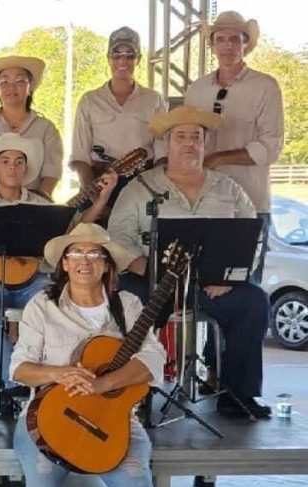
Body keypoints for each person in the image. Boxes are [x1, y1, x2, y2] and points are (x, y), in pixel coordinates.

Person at [10, 222, 164, 487]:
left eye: (94, 253)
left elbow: (153, 359)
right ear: (64, 262)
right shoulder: (41, 306)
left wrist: (102, 383)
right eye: (75, 253)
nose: (84, 260)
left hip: (115, 419)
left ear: (108, 265)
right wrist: (58, 374)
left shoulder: (128, 307)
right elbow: (19, 367)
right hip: (48, 415)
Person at [109, 106, 271, 418]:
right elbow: (117, 236)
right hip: (154, 282)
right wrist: (137, 264)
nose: (189, 143)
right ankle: (128, 394)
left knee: (254, 303)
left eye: (196, 137)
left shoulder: (228, 188)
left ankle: (238, 395)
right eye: (180, 137)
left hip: (210, 287)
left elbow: (254, 238)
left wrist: (232, 278)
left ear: (205, 144)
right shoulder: (140, 188)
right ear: (166, 145)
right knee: (125, 302)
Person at [0, 134, 104, 397]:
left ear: (26, 169)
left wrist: (101, 200)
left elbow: (73, 232)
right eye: (5, 161)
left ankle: (60, 376)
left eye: (18, 162)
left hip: (36, 279)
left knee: (58, 301)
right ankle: (14, 377)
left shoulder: (41, 204)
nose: (12, 167)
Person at [183, 11, 284, 283]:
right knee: (197, 286)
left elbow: (270, 147)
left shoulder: (265, 86)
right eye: (221, 39)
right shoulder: (197, 89)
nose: (227, 45)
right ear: (213, 45)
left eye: (235, 39)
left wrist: (217, 158)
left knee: (244, 285)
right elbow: (184, 135)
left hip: (249, 203)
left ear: (245, 44)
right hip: (200, 202)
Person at [70, 26, 167, 226]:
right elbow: (80, 157)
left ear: (138, 59)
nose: (123, 61)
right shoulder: (90, 100)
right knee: (84, 239)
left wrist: (152, 189)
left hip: (142, 182)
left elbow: (161, 154)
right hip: (99, 181)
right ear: (108, 59)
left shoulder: (153, 99)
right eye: (117, 55)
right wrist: (97, 197)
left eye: (129, 55)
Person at [0, 56, 63, 198]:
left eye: (19, 81)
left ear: (30, 86)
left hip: (32, 203)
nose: (11, 87)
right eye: (4, 82)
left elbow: (52, 171)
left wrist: (39, 201)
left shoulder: (45, 128)